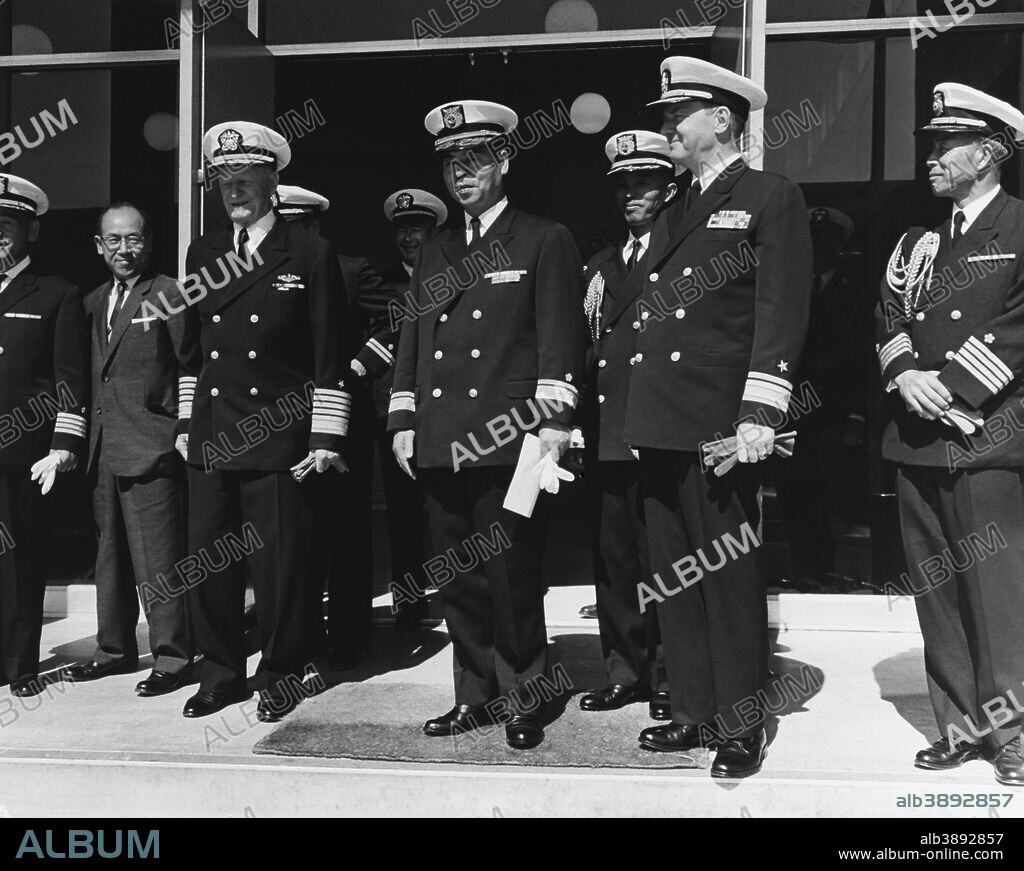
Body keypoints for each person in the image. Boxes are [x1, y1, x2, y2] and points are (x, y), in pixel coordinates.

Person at [624, 58, 812, 778]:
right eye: (668, 116)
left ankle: (741, 721)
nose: (667, 127)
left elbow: (780, 311)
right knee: (674, 573)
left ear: (723, 120)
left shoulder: (769, 195)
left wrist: (761, 410)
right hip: (661, 422)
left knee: (728, 574)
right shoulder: (674, 204)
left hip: (720, 425)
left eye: (679, 116)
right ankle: (695, 708)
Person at [388, 100, 584, 750]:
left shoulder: (542, 237)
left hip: (516, 442)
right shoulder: (436, 249)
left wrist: (555, 424)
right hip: (443, 439)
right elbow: (412, 343)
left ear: (503, 160)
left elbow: (561, 341)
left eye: (474, 159)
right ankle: (475, 695)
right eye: (451, 162)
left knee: (513, 578)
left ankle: (527, 693)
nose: (461, 174)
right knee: (458, 581)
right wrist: (403, 420)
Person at [876, 83, 1024, 787]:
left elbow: (1019, 326)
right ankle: (961, 725)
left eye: (948, 143)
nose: (933, 155)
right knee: (936, 587)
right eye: (932, 143)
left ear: (991, 152)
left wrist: (952, 389)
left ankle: (1015, 730)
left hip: (988, 434)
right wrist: (907, 375)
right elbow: (887, 318)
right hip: (916, 436)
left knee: (997, 589)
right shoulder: (916, 240)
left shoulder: (1021, 228)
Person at [177, 123, 351, 723]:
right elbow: (192, 351)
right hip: (214, 435)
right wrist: (185, 426)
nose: (236, 191)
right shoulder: (203, 252)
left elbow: (330, 352)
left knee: (282, 571)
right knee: (210, 565)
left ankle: (281, 670)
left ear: (272, 181)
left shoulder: (307, 251)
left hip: (280, 437)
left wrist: (326, 436)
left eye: (247, 179)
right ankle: (220, 672)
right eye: (226, 182)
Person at [64, 202, 194, 695]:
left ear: (149, 242)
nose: (125, 249)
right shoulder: (94, 301)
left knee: (158, 559)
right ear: (99, 246)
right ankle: (114, 650)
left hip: (151, 446)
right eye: (114, 240)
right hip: (102, 449)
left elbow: (189, 365)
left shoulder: (168, 295)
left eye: (133, 238)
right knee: (109, 557)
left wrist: (181, 427)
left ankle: (173, 656)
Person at [576, 130, 673, 721]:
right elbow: (587, 349)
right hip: (609, 430)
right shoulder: (600, 264)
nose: (633, 193)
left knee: (664, 563)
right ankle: (624, 669)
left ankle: (667, 672)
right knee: (614, 562)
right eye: (624, 184)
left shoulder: (683, 252)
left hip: (661, 431)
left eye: (645, 182)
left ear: (670, 187)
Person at [0, 173, 88, 697]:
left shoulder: (57, 293)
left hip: (22, 453)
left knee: (19, 562)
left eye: (6, 226)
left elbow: (69, 379)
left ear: (30, 232)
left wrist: (63, 445)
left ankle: (19, 666)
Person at [774, 207, 873, 593]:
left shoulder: (858, 292)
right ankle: (804, 572)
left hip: (836, 413)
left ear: (841, 247)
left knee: (833, 498)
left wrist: (857, 415)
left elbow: (865, 358)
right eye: (813, 241)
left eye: (828, 241)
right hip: (792, 413)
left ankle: (833, 574)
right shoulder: (791, 288)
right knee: (795, 494)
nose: (819, 249)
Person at [379, 188, 448, 631]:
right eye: (402, 230)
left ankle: (459, 592)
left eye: (417, 228)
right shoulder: (380, 284)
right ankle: (408, 598)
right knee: (402, 510)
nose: (409, 238)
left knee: (447, 508)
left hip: (445, 410)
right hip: (398, 412)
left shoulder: (456, 274)